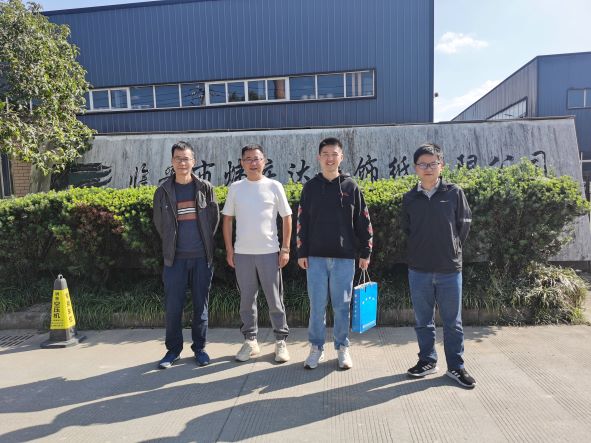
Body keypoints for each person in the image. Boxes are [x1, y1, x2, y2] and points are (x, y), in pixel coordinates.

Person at [401, 142, 476, 388]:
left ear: (441, 165)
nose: (428, 168)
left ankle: (456, 367)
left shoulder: (454, 193)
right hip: (418, 269)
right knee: (423, 320)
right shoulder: (410, 198)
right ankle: (427, 361)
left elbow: (463, 225)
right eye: (422, 164)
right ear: (416, 168)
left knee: (453, 322)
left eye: (432, 163)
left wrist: (451, 247)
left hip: (449, 269)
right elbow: (407, 229)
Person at [297, 137, 373, 370]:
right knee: (317, 307)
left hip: (344, 258)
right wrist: (301, 251)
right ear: (319, 158)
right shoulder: (310, 187)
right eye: (325, 154)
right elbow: (302, 221)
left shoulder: (351, 187)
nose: (330, 159)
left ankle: (342, 347)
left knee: (342, 306)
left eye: (334, 154)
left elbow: (363, 220)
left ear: (341, 157)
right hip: (315, 258)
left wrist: (366, 251)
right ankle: (316, 348)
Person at [222, 144, 292, 363]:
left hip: (270, 252)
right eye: (248, 159)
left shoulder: (274, 186)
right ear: (242, 163)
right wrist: (230, 249)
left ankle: (280, 340)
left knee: (275, 300)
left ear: (264, 161)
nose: (253, 163)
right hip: (243, 254)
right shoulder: (236, 188)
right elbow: (227, 219)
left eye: (257, 158)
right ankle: (250, 341)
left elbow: (287, 218)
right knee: (246, 300)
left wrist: (285, 248)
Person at [153, 141, 219, 369]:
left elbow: (213, 220)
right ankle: (173, 350)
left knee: (201, 306)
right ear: (172, 162)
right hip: (175, 260)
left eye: (186, 158)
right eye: (178, 158)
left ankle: (200, 348)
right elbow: (160, 224)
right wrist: (172, 246)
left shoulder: (205, 188)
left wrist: (204, 244)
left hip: (201, 258)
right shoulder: (163, 191)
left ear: (194, 161)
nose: (182, 163)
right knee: (173, 307)